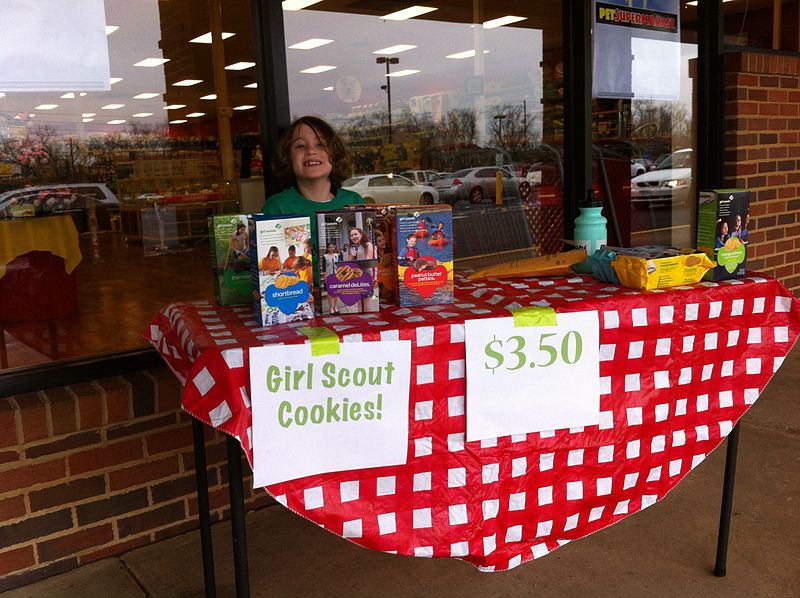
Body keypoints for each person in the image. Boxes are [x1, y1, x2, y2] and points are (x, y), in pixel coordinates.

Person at [260, 116, 363, 285]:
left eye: (320, 144)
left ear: (335, 154)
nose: (310, 151)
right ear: (287, 158)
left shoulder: (354, 202)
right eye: (300, 146)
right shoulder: (276, 207)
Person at [322, 242, 340, 313]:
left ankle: (335, 306)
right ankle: (331, 307)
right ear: (327, 248)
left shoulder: (337, 255)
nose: (331, 248)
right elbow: (324, 269)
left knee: (336, 292)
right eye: (329, 247)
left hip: (336, 276)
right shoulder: (325, 257)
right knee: (329, 293)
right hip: (329, 277)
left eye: (332, 247)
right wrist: (325, 278)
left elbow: (339, 266)